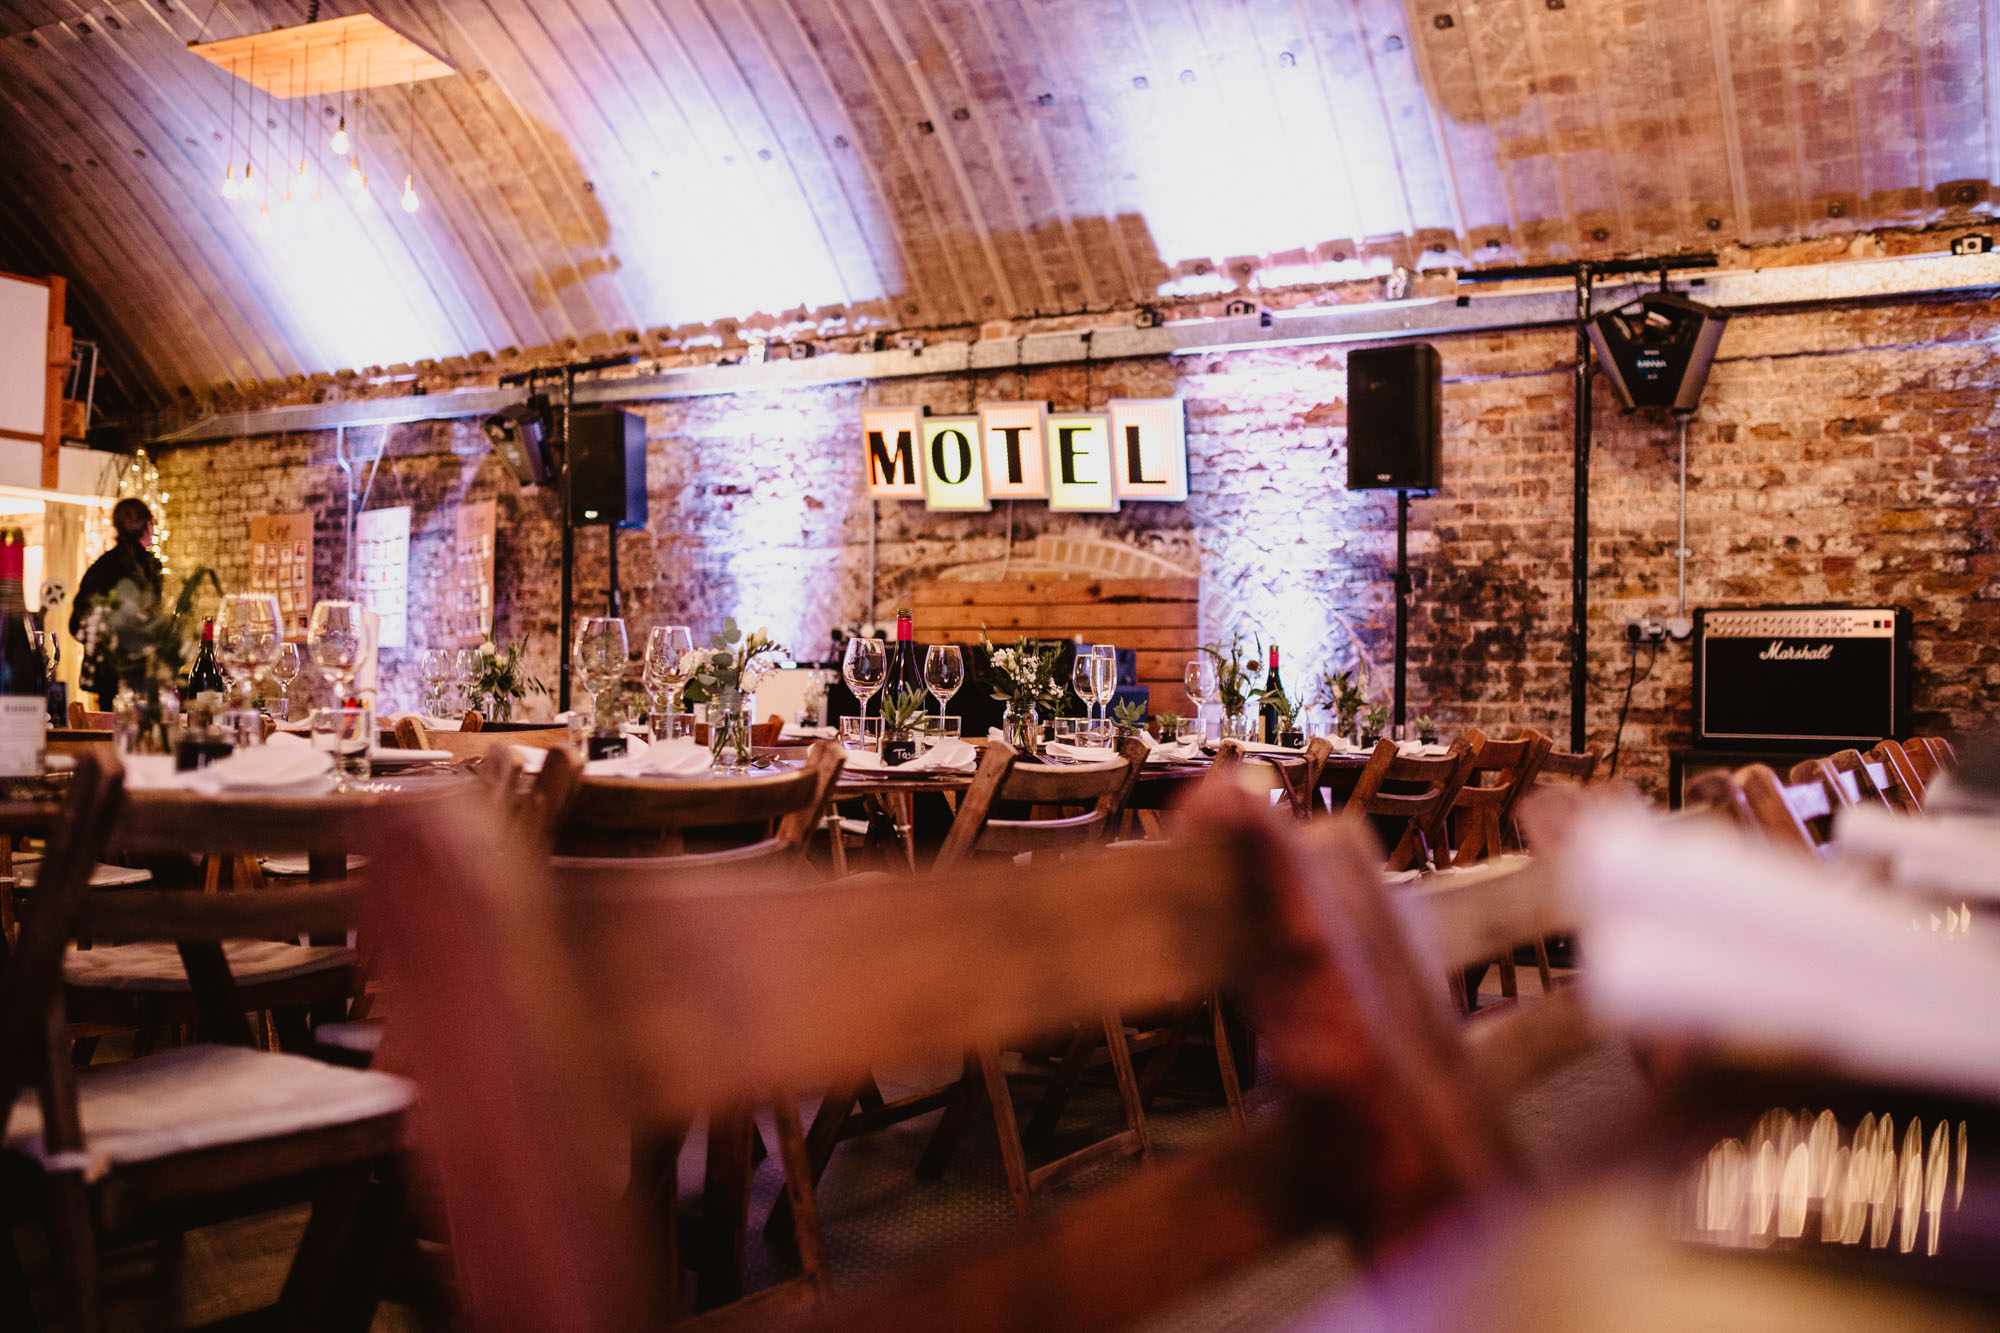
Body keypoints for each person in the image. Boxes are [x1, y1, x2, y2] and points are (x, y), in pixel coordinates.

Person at [69, 497, 163, 711]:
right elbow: (153, 623)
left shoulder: (100, 566)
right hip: (138, 672)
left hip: (103, 674)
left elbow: (75, 624)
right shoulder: (148, 566)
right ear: (147, 525)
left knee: (106, 729)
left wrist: (99, 640)